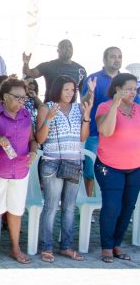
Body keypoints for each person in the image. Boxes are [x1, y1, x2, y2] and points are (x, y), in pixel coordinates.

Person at [0, 78, 39, 265]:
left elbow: (33, 140)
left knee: (16, 210)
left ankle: (15, 248)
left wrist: (33, 151)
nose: (22, 101)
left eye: (24, 98)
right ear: (5, 97)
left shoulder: (26, 115)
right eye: (18, 97)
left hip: (20, 169)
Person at [35, 75, 92, 263]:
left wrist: (86, 117)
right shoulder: (46, 107)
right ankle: (47, 246)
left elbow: (82, 138)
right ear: (57, 88)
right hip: (52, 162)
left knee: (69, 208)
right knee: (51, 207)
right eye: (66, 89)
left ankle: (66, 246)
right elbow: (40, 139)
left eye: (72, 90)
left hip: (74, 162)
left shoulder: (77, 108)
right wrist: (49, 118)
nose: (69, 93)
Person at [95, 73, 140, 263]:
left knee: (128, 207)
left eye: (135, 89)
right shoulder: (104, 107)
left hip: (135, 167)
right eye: (128, 89)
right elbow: (106, 130)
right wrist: (115, 105)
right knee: (112, 206)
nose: (133, 92)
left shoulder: (138, 109)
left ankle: (116, 244)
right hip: (109, 166)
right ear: (118, 89)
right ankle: (106, 246)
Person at [81, 46, 122, 197]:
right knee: (90, 171)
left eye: (119, 56)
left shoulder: (125, 80)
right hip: (95, 133)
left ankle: (110, 203)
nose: (117, 59)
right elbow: (84, 103)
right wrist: (90, 92)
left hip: (119, 135)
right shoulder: (93, 78)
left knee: (115, 172)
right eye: (113, 56)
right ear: (104, 59)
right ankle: (88, 201)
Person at [23, 39, 87, 102]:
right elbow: (29, 73)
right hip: (51, 108)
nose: (67, 49)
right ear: (58, 50)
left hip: (71, 110)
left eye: (70, 46)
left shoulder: (80, 70)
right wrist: (26, 63)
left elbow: (83, 94)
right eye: (64, 47)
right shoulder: (48, 66)